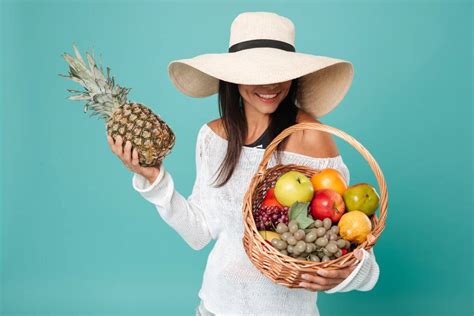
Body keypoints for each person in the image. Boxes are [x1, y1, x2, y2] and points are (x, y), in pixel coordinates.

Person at [107, 11, 379, 316]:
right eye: (255, 73)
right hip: (215, 308)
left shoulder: (312, 138)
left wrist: (349, 275)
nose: (270, 84)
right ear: (232, 78)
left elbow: (352, 242)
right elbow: (199, 232)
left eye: (280, 72)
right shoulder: (212, 138)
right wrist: (154, 181)